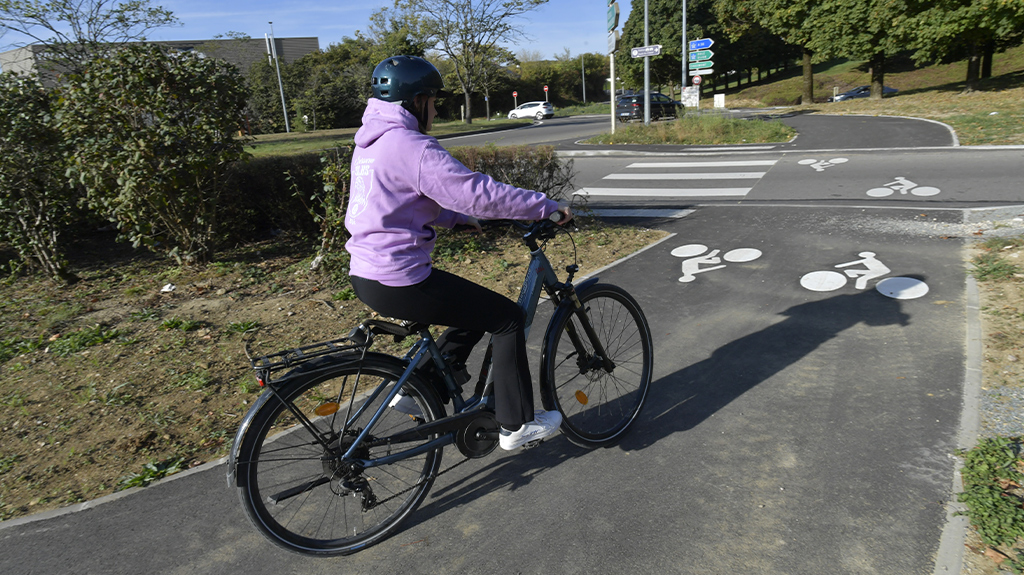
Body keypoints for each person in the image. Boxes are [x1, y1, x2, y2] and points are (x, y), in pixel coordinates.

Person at [345, 55, 572, 450]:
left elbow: (401, 198)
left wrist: (454, 219)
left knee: (473, 311)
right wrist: (544, 207)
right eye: (434, 101)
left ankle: (421, 387)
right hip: (399, 277)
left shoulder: (371, 142)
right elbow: (476, 192)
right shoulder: (410, 145)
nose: (436, 111)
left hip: (366, 273)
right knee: (507, 319)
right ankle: (516, 425)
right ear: (417, 100)